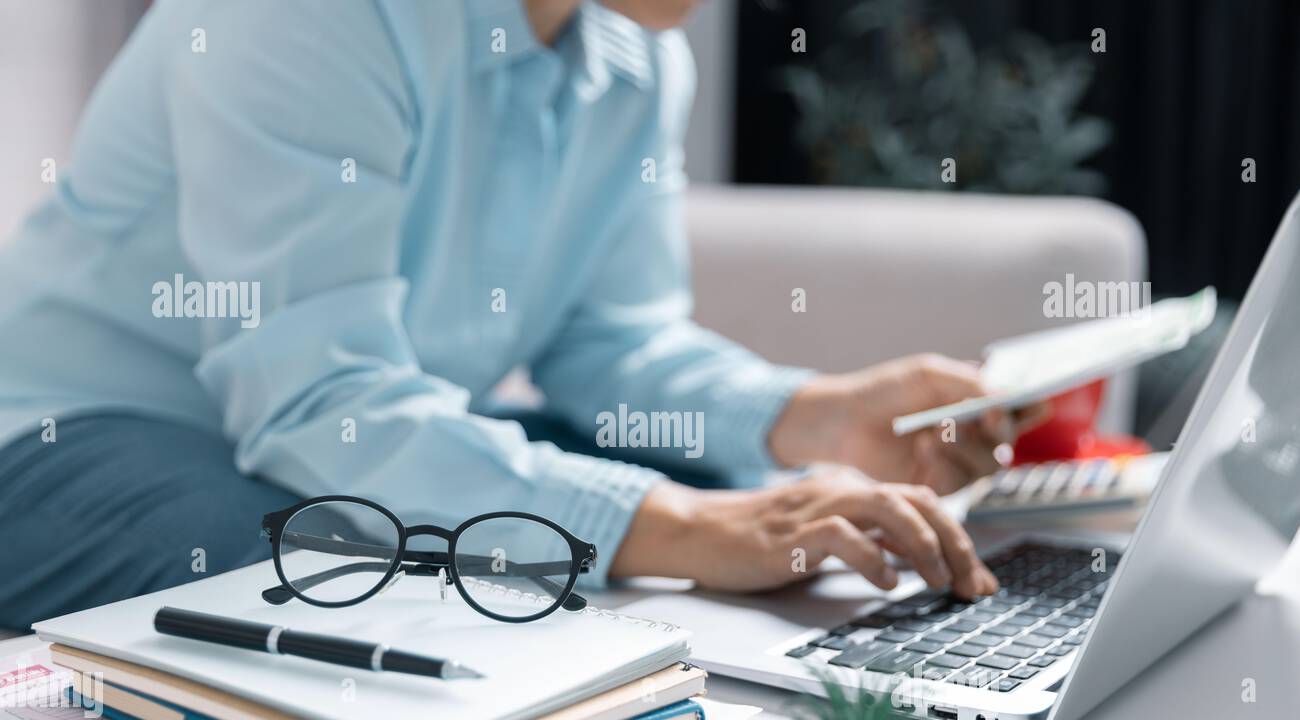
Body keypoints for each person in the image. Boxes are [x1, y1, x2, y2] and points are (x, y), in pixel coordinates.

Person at [0, 0, 1042, 631]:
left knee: (715, 489)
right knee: (314, 567)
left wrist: (810, 415)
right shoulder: (310, 15)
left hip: (311, 433)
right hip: (68, 439)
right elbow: (326, 408)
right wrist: (677, 527)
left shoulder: (636, 63)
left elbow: (605, 338)